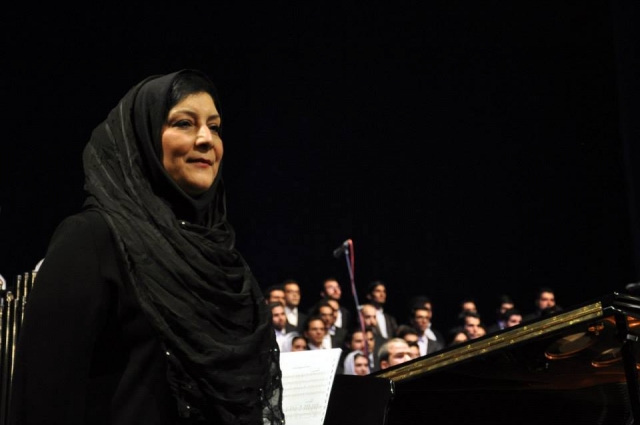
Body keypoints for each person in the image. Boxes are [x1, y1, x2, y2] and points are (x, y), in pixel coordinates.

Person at [9, 70, 284, 425]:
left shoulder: (219, 254)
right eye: (184, 123)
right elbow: (44, 396)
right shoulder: (92, 239)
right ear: (142, 138)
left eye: (215, 127)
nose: (206, 139)